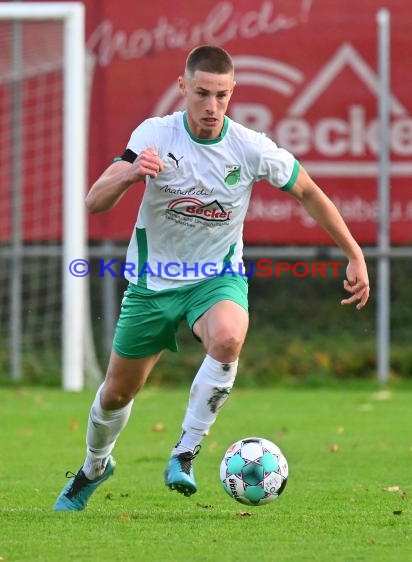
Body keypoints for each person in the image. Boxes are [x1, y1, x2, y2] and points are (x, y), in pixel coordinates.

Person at [53, 45, 369, 511]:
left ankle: (185, 452)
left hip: (215, 278)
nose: (211, 106)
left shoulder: (250, 147)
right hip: (152, 282)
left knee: (227, 338)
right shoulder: (154, 136)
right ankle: (94, 466)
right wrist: (131, 174)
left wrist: (354, 252)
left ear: (233, 92)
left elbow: (307, 190)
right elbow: (94, 201)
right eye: (202, 93)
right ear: (183, 88)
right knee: (117, 392)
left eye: (221, 95)